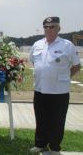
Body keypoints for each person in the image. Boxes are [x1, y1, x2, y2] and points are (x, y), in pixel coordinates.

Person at [29, 17, 81, 154]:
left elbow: (76, 66)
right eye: (46, 27)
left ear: (59, 28)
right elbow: (34, 62)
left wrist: (64, 77)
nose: (48, 29)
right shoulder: (37, 44)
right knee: (41, 119)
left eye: (52, 26)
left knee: (57, 121)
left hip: (59, 92)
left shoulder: (67, 45)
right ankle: (40, 144)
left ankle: (54, 147)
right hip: (40, 89)